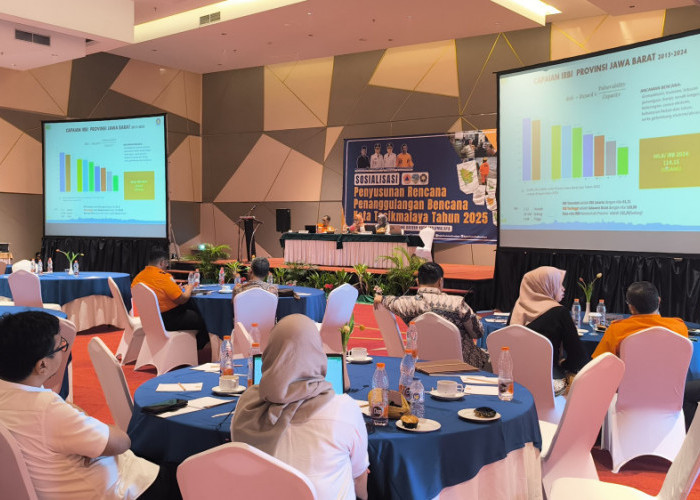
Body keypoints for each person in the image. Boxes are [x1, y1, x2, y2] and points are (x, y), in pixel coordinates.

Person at [0, 311, 181, 499]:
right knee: (186, 469)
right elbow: (122, 442)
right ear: (42, 365)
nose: (64, 351)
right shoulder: (47, 410)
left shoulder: (17, 396)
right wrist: (98, 429)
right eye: (60, 346)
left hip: (62, 485)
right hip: (117, 489)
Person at [231, 314, 369, 500]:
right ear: (318, 353)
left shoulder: (247, 405)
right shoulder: (343, 408)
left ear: (270, 353)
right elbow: (359, 479)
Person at [374, 262, 490, 370]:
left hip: (422, 364)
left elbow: (388, 301)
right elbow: (478, 333)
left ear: (417, 282)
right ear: (440, 281)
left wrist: (381, 298)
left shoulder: (405, 304)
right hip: (463, 364)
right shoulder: (458, 304)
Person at [508, 266, 589, 394]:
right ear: (545, 286)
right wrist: (563, 364)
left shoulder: (517, 310)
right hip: (549, 381)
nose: (563, 288)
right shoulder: (559, 312)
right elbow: (578, 358)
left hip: (513, 379)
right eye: (559, 284)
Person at [132, 248, 209, 350]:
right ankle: (195, 348)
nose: (167, 266)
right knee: (206, 319)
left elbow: (158, 292)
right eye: (166, 263)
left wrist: (176, 288)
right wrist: (189, 288)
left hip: (150, 320)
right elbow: (182, 299)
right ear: (162, 262)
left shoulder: (138, 278)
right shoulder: (163, 277)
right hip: (169, 320)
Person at [592, 281, 688, 358]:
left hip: (628, 377)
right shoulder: (679, 327)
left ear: (631, 307)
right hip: (669, 377)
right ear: (658, 300)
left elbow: (600, 362)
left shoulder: (617, 329)